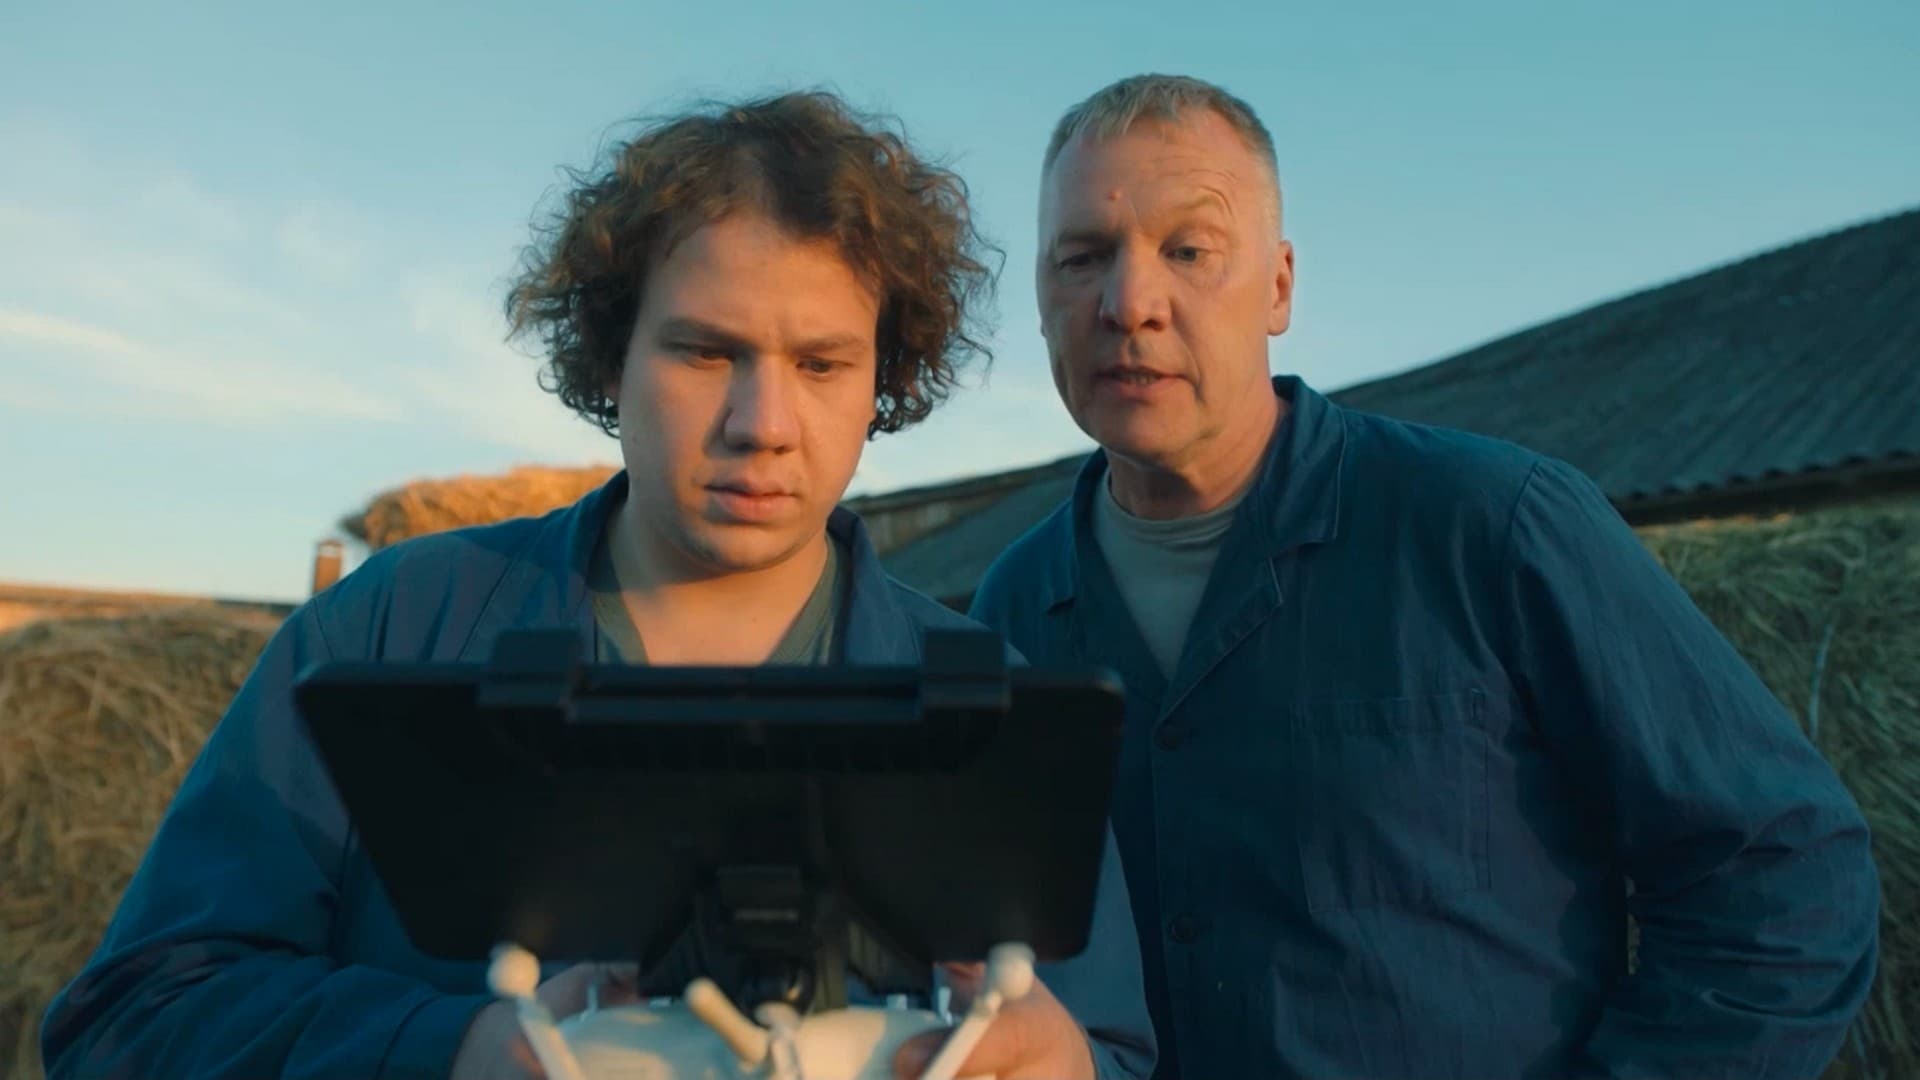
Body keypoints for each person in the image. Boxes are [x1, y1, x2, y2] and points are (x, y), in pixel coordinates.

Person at [39, 91, 1154, 1080]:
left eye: (821, 364)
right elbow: (132, 1015)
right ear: (611, 353)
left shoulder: (991, 709)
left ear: (884, 379)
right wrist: (449, 1052)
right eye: (705, 352)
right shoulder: (388, 631)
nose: (763, 424)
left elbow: (1110, 1051)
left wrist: (1068, 1066)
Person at [968, 72, 1881, 1079]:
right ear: (1042, 298)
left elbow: (1780, 873)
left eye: (1189, 250)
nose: (1129, 303)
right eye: (1083, 257)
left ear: (1278, 287)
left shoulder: (1494, 527)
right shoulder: (1011, 611)